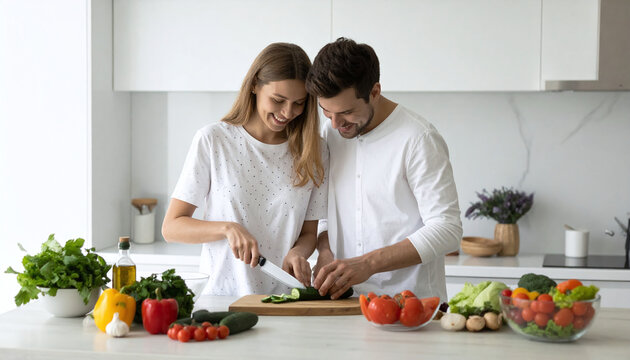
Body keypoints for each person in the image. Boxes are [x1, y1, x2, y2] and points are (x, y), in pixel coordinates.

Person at [162, 43, 327, 296]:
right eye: (278, 100)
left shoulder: (315, 150)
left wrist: (298, 252)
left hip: (284, 300)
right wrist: (227, 228)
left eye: (299, 103)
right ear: (254, 85)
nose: (287, 112)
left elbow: (308, 234)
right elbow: (172, 227)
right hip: (223, 299)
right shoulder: (214, 140)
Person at [305, 38, 462, 301]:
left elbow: (447, 229)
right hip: (348, 303)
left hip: (412, 305)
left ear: (375, 92)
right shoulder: (331, 134)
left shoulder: (418, 138)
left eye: (345, 112)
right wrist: (325, 251)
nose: (334, 124)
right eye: (326, 112)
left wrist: (368, 264)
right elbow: (326, 213)